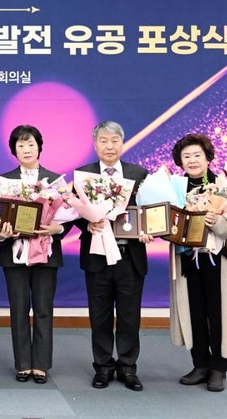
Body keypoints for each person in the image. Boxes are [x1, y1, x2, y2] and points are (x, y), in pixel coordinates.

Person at [75, 121, 152, 391]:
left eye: (114, 140)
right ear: (95, 144)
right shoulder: (83, 176)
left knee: (130, 316)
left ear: (122, 143)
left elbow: (150, 211)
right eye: (104, 141)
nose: (109, 146)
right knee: (100, 316)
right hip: (97, 256)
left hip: (130, 257)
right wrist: (87, 224)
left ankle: (128, 368)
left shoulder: (139, 174)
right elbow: (73, 213)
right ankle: (103, 367)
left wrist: (149, 230)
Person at [169, 134, 227, 392]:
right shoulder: (175, 189)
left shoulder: (225, 185)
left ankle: (219, 368)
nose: (192, 160)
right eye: (186, 156)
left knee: (218, 312)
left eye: (197, 155)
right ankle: (200, 364)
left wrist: (219, 222)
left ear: (207, 158)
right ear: (180, 161)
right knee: (194, 312)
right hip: (188, 259)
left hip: (219, 260)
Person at [0, 125, 64, 384]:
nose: (26, 149)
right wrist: (3, 234)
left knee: (44, 309)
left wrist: (58, 229)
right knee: (19, 309)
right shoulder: (3, 182)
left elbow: (69, 217)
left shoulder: (55, 181)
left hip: (46, 253)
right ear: (13, 150)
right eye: (21, 145)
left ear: (39, 147)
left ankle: (41, 364)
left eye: (31, 144)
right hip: (15, 254)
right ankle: (23, 363)